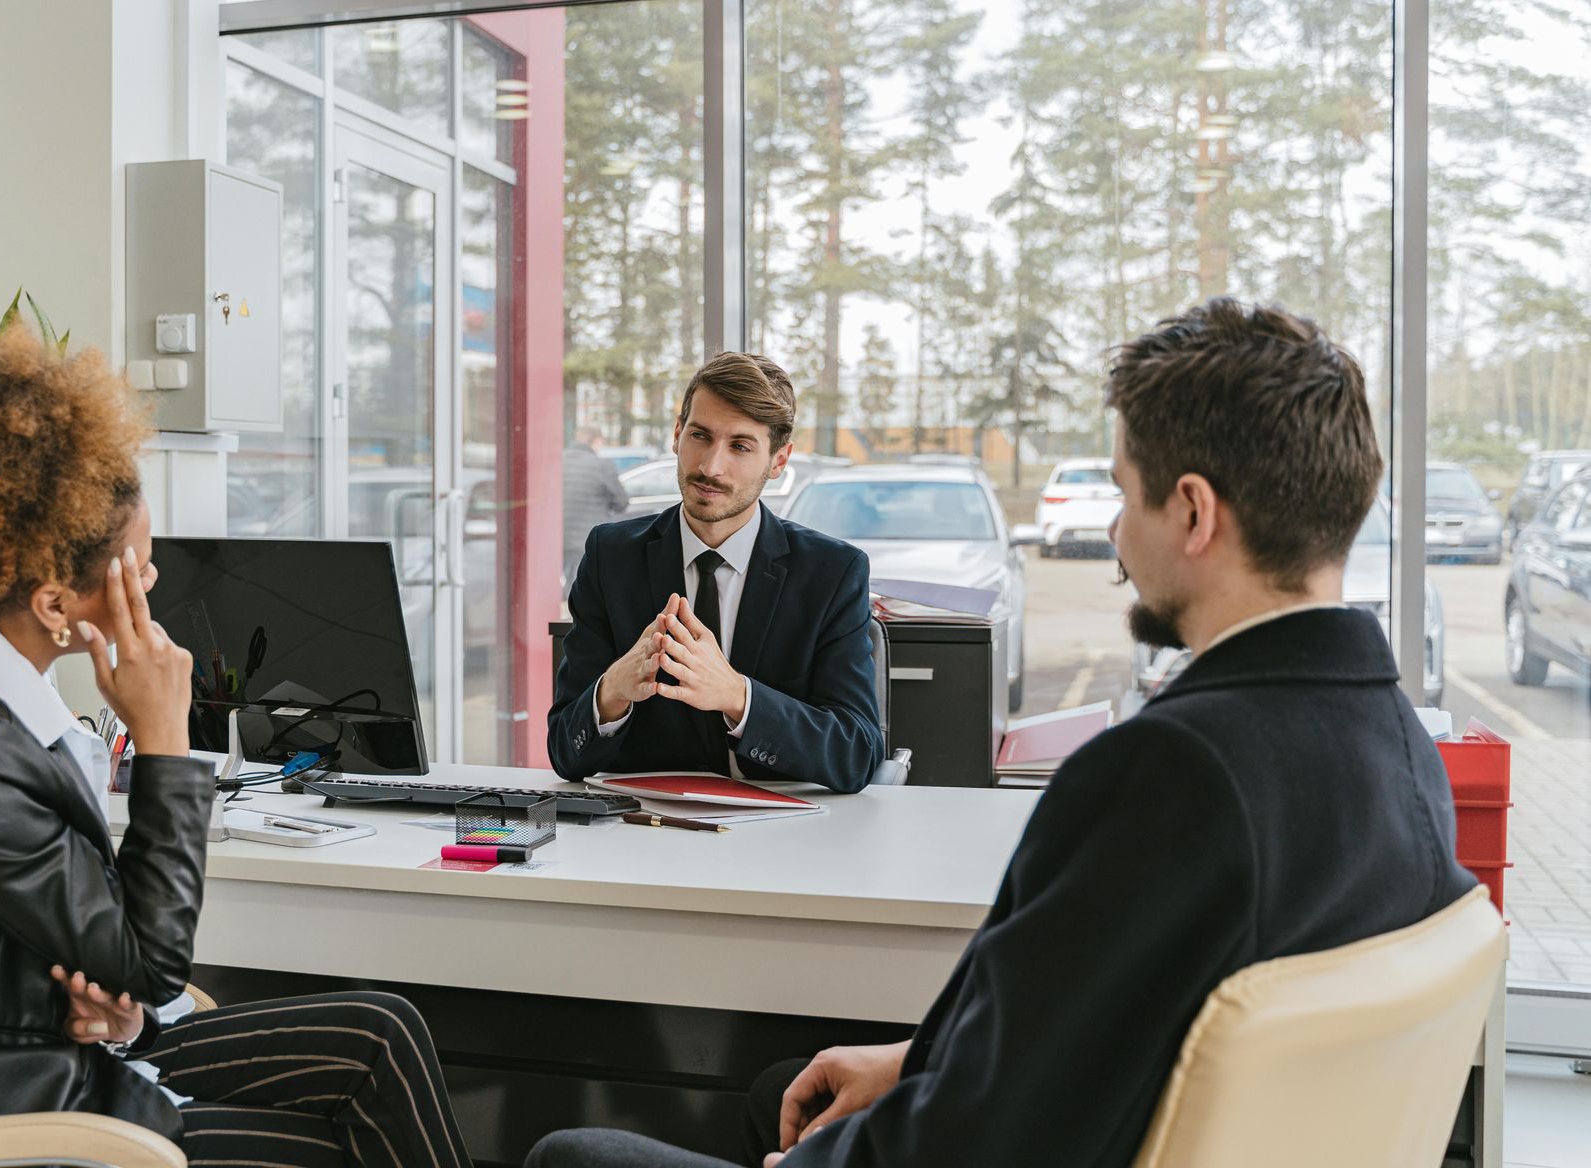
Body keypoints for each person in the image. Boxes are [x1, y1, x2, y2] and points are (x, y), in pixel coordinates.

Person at [527, 298, 1478, 1168]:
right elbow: (1098, 1029)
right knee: (787, 1088)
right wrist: (917, 1060)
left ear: (1190, 511)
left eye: (1123, 492)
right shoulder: (1400, 749)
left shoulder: (1163, 773)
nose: (1111, 535)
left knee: (570, 1156)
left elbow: (978, 1132)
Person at [0, 331, 471, 1168]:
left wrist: (123, 1000)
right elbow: (151, 962)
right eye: (136, 566)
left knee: (383, 1029)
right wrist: (167, 737)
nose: (155, 578)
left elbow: (102, 949)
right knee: (343, 1144)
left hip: (63, 1043)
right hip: (13, 1100)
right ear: (55, 601)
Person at [546, 353, 882, 794]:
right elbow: (564, 754)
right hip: (638, 835)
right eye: (699, 436)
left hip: (786, 839)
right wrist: (612, 690)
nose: (710, 466)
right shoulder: (610, 557)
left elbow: (856, 753)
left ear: (778, 461)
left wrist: (738, 698)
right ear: (676, 435)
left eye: (740, 446)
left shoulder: (832, 573)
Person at [563, 425, 630, 587]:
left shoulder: (558, 460)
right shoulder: (602, 465)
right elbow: (621, 502)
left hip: (557, 535)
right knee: (579, 587)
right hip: (586, 536)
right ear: (596, 441)